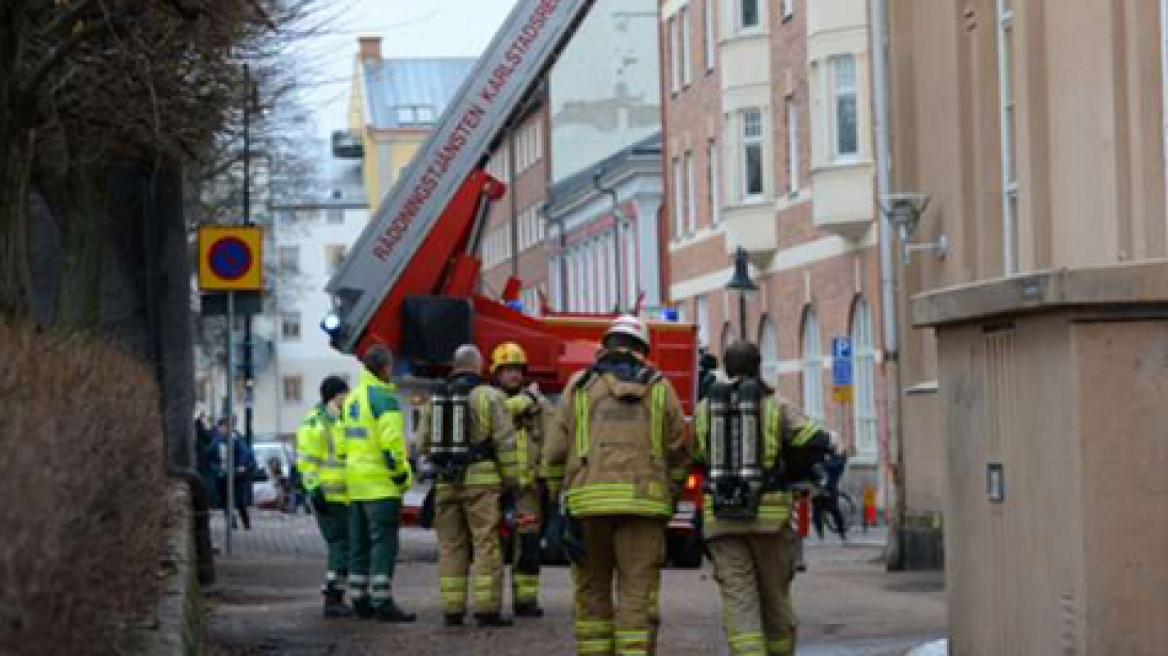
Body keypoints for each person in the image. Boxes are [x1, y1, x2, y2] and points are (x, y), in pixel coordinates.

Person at [542, 315, 691, 656]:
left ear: (606, 346)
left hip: (586, 508)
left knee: (592, 591)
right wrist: (669, 496)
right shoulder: (660, 387)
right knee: (636, 594)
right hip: (645, 505)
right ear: (642, 348)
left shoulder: (578, 387)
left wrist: (556, 500)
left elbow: (553, 452)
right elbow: (679, 451)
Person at [693, 341, 834, 656]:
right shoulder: (775, 404)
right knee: (774, 599)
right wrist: (787, 468)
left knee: (739, 599)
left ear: (726, 369)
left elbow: (696, 454)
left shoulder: (705, 408)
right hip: (769, 519)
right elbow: (816, 439)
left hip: (722, 522)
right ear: (759, 366)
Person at [419, 344, 520, 628]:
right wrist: (512, 481)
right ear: (478, 366)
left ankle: (453, 609)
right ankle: (486, 610)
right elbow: (506, 443)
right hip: (483, 483)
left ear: (454, 365)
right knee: (485, 543)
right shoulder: (490, 396)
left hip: (445, 483)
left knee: (451, 545)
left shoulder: (436, 398)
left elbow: (423, 443)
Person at [342, 345, 416, 622]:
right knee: (383, 544)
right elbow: (391, 447)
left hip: (356, 485)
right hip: (380, 486)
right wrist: (402, 477)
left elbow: (342, 443)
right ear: (385, 368)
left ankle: (359, 598)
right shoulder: (384, 399)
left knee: (359, 544)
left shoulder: (352, 399)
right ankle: (382, 600)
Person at [491, 341, 552, 619]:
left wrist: (546, 478)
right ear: (496, 374)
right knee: (490, 548)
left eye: (518, 369)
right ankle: (489, 603)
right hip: (494, 486)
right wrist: (528, 399)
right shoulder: (490, 400)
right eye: (507, 370)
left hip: (527, 488)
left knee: (528, 545)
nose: (514, 375)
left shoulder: (540, 406)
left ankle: (525, 600)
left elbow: (551, 440)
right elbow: (502, 412)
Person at [296, 375, 353, 618]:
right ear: (335, 396)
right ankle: (333, 598)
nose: (347, 399)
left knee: (344, 546)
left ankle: (335, 594)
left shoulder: (338, 419)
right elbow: (307, 460)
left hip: (344, 496)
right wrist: (313, 488)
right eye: (344, 394)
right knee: (340, 546)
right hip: (328, 497)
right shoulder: (317, 423)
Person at [207, 418, 255, 530]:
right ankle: (232, 524)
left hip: (237, 476)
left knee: (240, 501)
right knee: (225, 501)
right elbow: (209, 456)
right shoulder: (216, 441)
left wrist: (242, 465)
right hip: (223, 476)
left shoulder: (236, 439)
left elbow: (245, 452)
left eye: (225, 427)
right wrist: (216, 468)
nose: (222, 430)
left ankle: (246, 524)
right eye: (221, 427)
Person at [812, 449, 850, 541]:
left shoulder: (838, 461)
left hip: (829, 490)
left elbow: (835, 465)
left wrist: (822, 465)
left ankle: (841, 533)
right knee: (817, 513)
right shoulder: (826, 458)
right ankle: (820, 535)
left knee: (834, 512)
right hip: (819, 490)